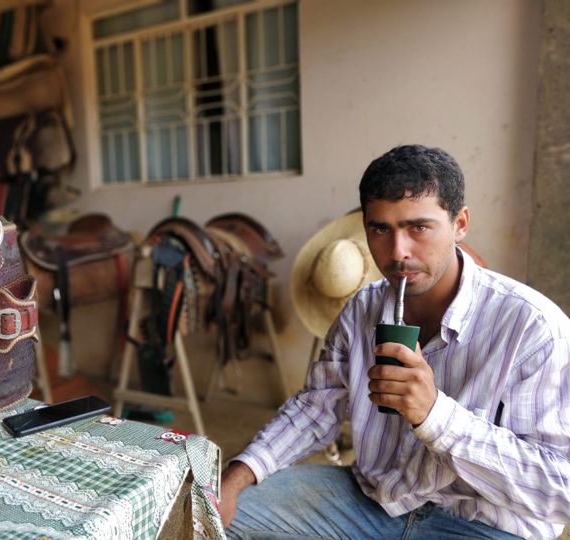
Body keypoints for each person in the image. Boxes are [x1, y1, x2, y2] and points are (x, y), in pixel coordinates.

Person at [219, 144, 570, 539]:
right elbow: (315, 409)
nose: (398, 252)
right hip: (372, 502)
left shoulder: (531, 327)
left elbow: (560, 487)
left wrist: (435, 416)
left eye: (418, 227)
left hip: (483, 523)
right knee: (222, 517)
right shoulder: (361, 310)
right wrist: (236, 477)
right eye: (380, 229)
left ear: (460, 224)